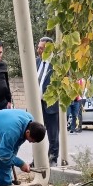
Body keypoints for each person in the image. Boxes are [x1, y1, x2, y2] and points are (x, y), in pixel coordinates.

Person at [0, 109, 46, 186]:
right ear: (28, 132)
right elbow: (4, 155)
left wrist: (12, 158)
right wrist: (21, 163)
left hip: (1, 135)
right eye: (31, 140)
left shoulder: (30, 123)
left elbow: (15, 144)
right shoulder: (13, 131)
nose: (30, 142)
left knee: (5, 164)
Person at [35, 37, 60, 165]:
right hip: (37, 105)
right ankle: (38, 158)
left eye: (42, 48)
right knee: (36, 132)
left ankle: (53, 158)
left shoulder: (57, 65)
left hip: (51, 105)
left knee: (53, 133)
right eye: (38, 47)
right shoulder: (36, 62)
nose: (38, 50)